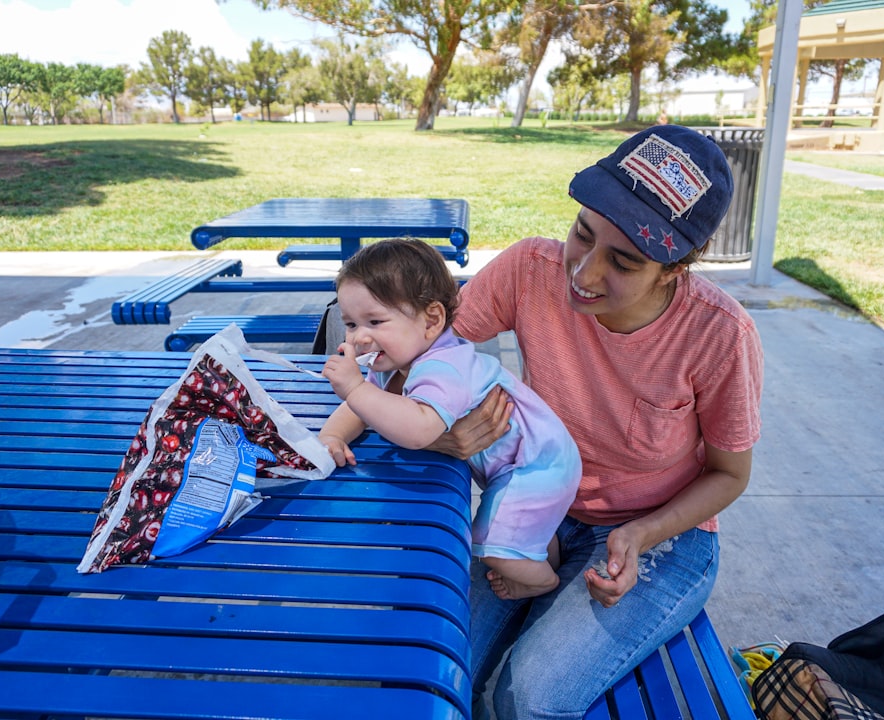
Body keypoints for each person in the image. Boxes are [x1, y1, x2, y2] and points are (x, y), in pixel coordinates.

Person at [428, 124, 764, 719]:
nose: (582, 274)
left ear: (675, 269)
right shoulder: (530, 269)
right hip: (539, 505)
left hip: (661, 536)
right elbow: (423, 344)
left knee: (528, 699)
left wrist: (640, 535)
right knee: (434, 666)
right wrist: (437, 425)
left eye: (624, 262)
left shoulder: (719, 335)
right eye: (582, 233)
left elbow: (729, 474)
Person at [318, 238, 583, 600]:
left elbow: (419, 429)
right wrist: (333, 435)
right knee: (513, 532)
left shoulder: (443, 367)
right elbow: (361, 407)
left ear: (431, 321)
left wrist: (354, 389)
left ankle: (543, 583)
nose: (359, 337)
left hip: (537, 466)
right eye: (350, 324)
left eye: (375, 321)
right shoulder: (394, 361)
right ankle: (539, 549)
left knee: (489, 545)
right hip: (535, 461)